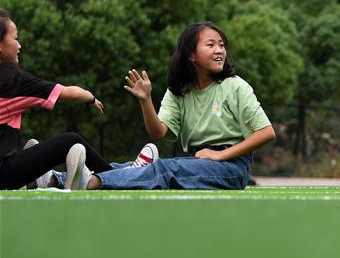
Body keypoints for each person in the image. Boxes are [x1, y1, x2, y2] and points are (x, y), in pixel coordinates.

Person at [85, 21, 275, 190]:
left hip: (232, 168)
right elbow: (158, 133)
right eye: (211, 45)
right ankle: (59, 178)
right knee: (128, 166)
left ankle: (92, 182)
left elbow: (266, 132)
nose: (219, 51)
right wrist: (146, 100)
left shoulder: (235, 86)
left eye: (221, 45)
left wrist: (221, 155)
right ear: (192, 55)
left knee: (164, 169)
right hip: (198, 160)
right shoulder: (179, 91)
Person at [0, 8, 110, 190]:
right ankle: (119, 175)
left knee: (33, 152)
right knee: (71, 141)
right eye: (15, 38)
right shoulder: (13, 80)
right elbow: (69, 94)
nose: (19, 45)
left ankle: (47, 177)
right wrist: (91, 98)